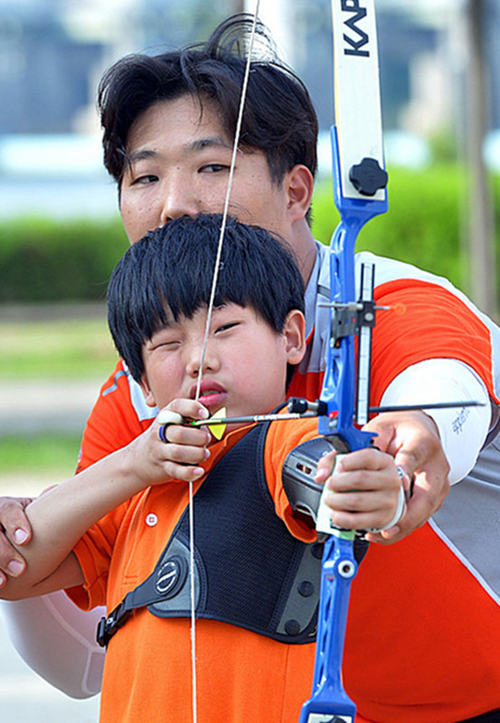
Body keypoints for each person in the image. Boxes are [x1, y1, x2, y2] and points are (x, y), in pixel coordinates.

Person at [0, 13, 499, 723]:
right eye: (146, 176)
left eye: (212, 167)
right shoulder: (151, 378)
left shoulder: (394, 303)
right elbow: (77, 623)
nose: (175, 205)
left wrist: (408, 454)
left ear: (296, 192)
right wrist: (23, 528)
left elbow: (438, 399)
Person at [0, 214, 405, 723]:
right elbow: (16, 568)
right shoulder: (139, 485)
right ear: (142, 386)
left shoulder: (283, 441)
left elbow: (322, 470)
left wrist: (365, 483)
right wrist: (133, 465)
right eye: (168, 344)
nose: (199, 359)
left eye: (226, 328)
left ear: (291, 337)